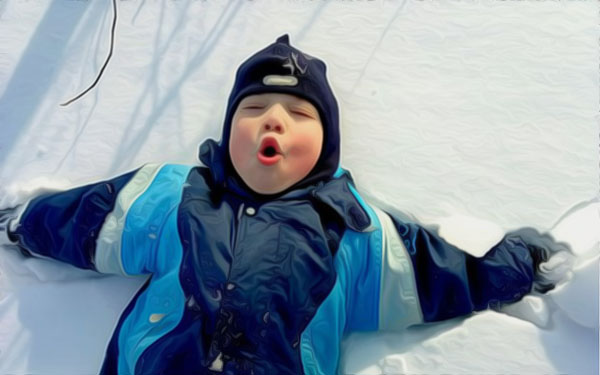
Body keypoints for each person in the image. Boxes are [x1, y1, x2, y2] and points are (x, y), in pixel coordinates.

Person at [0, 35, 570, 375]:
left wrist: (519, 266)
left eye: (299, 115)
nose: (274, 120)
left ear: (327, 146)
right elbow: (90, 220)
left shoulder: (355, 231)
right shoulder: (175, 196)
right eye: (255, 110)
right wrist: (25, 225)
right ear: (228, 132)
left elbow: (438, 275)